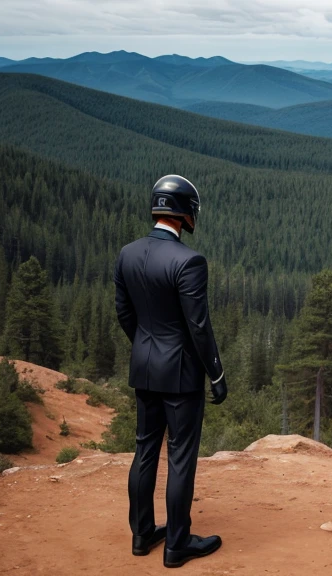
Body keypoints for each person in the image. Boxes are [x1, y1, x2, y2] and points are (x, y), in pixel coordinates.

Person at [114, 174, 228, 568]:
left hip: (143, 370)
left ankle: (142, 534)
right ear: (185, 214)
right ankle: (178, 544)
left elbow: (124, 312)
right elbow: (199, 327)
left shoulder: (127, 253)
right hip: (180, 377)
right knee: (180, 456)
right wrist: (215, 372)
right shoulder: (189, 261)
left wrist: (146, 347)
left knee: (145, 450)